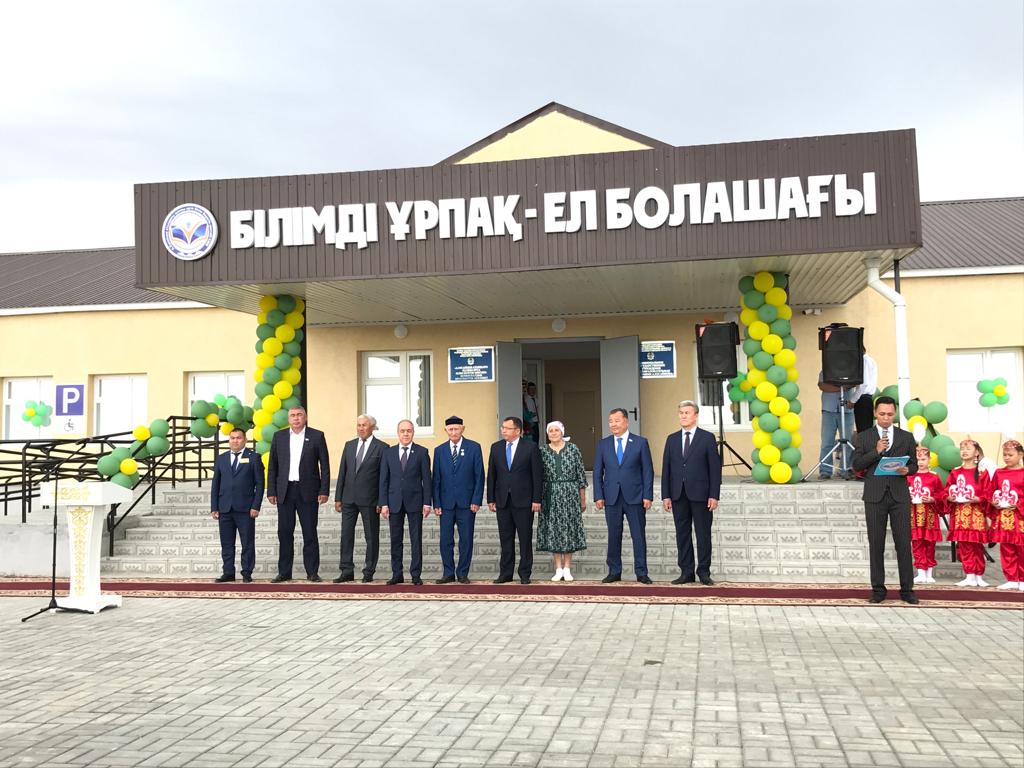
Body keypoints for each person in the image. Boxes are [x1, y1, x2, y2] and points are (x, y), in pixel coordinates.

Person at [852, 396, 919, 604]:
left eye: (890, 414)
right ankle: (878, 590)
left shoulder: (906, 437)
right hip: (874, 496)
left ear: (894, 414)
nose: (886, 418)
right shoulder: (863, 437)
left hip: (899, 495)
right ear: (875, 413)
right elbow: (856, 465)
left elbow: (915, 464)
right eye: (882, 414)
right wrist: (876, 451)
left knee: (903, 544)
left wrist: (908, 469)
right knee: (876, 543)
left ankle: (907, 590)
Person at [661, 400, 722, 586]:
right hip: (678, 494)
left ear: (695, 415)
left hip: (701, 495)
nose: (683, 416)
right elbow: (667, 469)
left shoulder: (707, 438)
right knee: (682, 534)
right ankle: (686, 572)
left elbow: (714, 469)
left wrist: (714, 495)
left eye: (687, 413)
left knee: (703, 534)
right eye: (680, 413)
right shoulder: (671, 439)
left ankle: (703, 572)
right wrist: (666, 495)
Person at [267, 406, 331, 583]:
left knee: (310, 533)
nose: (296, 418)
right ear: (288, 419)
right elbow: (273, 466)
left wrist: (324, 490)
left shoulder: (317, 436)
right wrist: (271, 490)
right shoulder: (279, 437)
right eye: (293, 416)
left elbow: (324, 466)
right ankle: (284, 572)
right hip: (285, 492)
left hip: (308, 492)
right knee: (285, 533)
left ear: (306, 417)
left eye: (299, 415)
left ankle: (312, 572)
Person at [593, 408, 654, 584]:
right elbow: (597, 472)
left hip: (635, 496)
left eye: (617, 420)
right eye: (610, 421)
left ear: (626, 422)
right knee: (613, 535)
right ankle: (614, 571)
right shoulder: (603, 444)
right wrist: (598, 495)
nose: (613, 424)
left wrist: (647, 495)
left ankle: (641, 572)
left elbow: (648, 471)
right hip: (611, 496)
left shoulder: (640, 442)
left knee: (638, 535)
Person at [487, 416, 543, 584]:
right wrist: (490, 498)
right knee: (505, 538)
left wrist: (536, 499)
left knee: (524, 538)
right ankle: (505, 573)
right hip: (503, 500)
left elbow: (537, 476)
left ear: (517, 431)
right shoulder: (496, 448)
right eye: (502, 427)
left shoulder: (531, 448)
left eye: (507, 428)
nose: (503, 430)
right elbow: (492, 475)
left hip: (524, 501)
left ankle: (525, 573)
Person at [333, 414, 388, 583]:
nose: (361, 428)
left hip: (370, 500)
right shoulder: (349, 445)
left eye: (364, 425)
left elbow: (383, 477)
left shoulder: (382, 447)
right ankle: (346, 570)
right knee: (346, 535)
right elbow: (343, 471)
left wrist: (381, 500)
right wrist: (338, 497)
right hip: (348, 498)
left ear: (372, 427)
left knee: (371, 536)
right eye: (358, 425)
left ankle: (368, 571)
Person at [432, 415, 484, 584]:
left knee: (466, 539)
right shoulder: (439, 450)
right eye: (450, 429)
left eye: (456, 428)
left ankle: (462, 573)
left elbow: (479, 476)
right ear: (445, 430)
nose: (453, 432)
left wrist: (476, 500)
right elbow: (436, 479)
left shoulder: (474, 448)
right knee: (445, 540)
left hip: (467, 503)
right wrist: (437, 503)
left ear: (463, 429)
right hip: (446, 504)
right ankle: (448, 572)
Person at [379, 419, 431, 586]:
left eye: (409, 430)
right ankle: (397, 574)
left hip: (415, 501)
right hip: (394, 502)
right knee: (396, 540)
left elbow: (427, 480)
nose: (406, 434)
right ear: (398, 433)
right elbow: (383, 480)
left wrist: (427, 502)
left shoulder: (422, 452)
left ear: (413, 432)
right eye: (403, 431)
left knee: (416, 539)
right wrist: (383, 503)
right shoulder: (388, 453)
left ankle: (415, 574)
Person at [210, 428, 264, 583]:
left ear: (245, 440)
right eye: (232, 438)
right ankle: (228, 572)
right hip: (225, 508)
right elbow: (216, 484)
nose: (235, 441)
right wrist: (214, 507)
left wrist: (256, 506)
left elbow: (259, 484)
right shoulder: (222, 458)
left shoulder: (253, 458)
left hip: (246, 508)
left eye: (238, 438)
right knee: (226, 543)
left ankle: (247, 572)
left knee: (247, 542)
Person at [537, 421, 587, 582]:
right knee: (554, 530)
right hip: (550, 494)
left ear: (562, 432)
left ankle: (567, 567)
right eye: (550, 430)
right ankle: (558, 568)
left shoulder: (573, 449)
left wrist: (582, 498)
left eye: (556, 430)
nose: (553, 433)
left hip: (570, 494)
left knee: (569, 529)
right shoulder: (542, 450)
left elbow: (580, 475)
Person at [944, 439, 992, 587]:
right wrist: (949, 497)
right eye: (962, 449)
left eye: (968, 449)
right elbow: (947, 490)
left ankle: (979, 575)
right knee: (964, 545)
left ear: (976, 452)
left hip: (976, 513)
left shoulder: (982, 473)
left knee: (977, 545)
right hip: (959, 514)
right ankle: (969, 574)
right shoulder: (955, 472)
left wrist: (979, 498)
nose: (964, 451)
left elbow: (989, 494)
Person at [988, 439, 1024, 591]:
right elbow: (992, 491)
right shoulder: (999, 473)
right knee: (1006, 547)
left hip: (1020, 516)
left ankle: (1022, 579)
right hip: (1003, 516)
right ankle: (1011, 578)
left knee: (1021, 548)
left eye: (1010, 454)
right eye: (1005, 455)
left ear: (1020, 455)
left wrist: (1018, 504)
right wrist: (993, 502)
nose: (1007, 457)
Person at [906, 443, 944, 584]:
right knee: (917, 543)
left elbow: (942, 495)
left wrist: (933, 498)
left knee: (930, 543)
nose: (920, 463)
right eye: (917, 460)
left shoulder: (934, 477)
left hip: (929, 516)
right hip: (913, 515)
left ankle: (929, 572)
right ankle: (921, 571)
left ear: (929, 460)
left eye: (923, 460)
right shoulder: (909, 477)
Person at [817, 369, 856, 480]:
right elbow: (822, 385)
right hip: (828, 409)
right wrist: (842, 387)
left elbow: (854, 383)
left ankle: (845, 470)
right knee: (826, 442)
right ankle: (825, 471)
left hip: (847, 410)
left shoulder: (851, 369)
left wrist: (834, 387)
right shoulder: (828, 367)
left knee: (847, 442)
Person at [852, 350, 878, 433]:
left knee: (863, 431)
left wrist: (853, 400)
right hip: (866, 399)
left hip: (862, 398)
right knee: (866, 430)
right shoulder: (870, 360)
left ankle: (865, 446)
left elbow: (863, 384)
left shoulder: (863, 361)